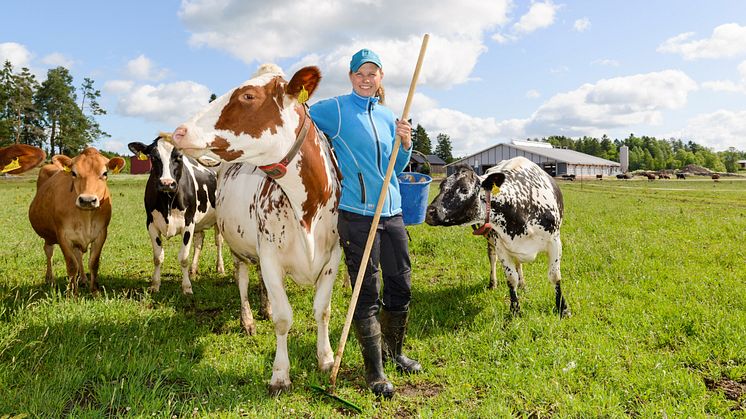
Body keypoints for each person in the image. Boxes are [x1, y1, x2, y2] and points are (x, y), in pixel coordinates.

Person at [309, 48, 422, 399]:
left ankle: (395, 352)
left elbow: (398, 166)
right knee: (366, 291)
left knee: (400, 284)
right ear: (351, 76)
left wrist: (405, 143)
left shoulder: (389, 116)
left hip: (392, 212)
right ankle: (375, 372)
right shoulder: (337, 110)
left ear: (381, 78)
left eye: (372, 73)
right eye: (360, 73)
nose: (366, 78)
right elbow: (301, 118)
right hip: (357, 214)